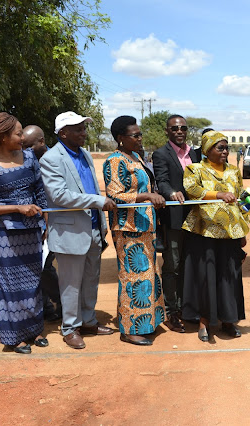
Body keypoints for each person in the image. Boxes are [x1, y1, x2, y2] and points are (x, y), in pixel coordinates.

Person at [0, 113, 47, 354]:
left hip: (32, 229)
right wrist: (17, 207)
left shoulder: (30, 157)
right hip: (4, 235)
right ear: (3, 137)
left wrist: (44, 223)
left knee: (33, 281)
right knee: (10, 285)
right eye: (18, 133)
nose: (23, 138)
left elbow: (40, 192)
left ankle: (34, 330)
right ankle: (14, 337)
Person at [40, 111, 116, 350]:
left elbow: (90, 186)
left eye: (84, 128)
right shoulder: (51, 158)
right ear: (63, 133)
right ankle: (70, 328)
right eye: (78, 129)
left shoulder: (85, 154)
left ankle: (88, 321)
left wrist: (101, 222)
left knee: (91, 280)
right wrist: (97, 201)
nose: (84, 133)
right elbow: (59, 195)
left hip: (93, 227)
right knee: (71, 284)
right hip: (69, 232)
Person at [181, 131, 249, 342]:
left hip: (231, 232)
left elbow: (240, 199)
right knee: (206, 277)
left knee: (229, 276)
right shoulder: (195, 169)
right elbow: (192, 190)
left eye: (226, 147)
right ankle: (204, 321)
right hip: (205, 232)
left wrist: (243, 229)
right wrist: (218, 195)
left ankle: (229, 320)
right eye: (220, 148)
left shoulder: (233, 171)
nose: (225, 151)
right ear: (207, 149)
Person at [105, 116, 167, 345]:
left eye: (140, 134)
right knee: (132, 277)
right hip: (127, 228)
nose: (140, 138)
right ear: (120, 138)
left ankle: (147, 323)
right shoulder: (114, 161)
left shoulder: (137, 157)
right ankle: (129, 329)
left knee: (148, 275)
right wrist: (147, 196)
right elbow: (115, 195)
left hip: (145, 225)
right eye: (135, 135)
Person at [151, 114, 202, 333]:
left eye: (183, 128)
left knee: (190, 264)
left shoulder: (195, 154)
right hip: (173, 219)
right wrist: (171, 193)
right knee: (172, 265)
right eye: (174, 128)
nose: (179, 131)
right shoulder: (161, 154)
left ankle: (186, 308)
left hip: (196, 218)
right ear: (167, 131)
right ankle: (171, 312)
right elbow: (161, 180)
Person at [22, 124, 62, 322]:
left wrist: (46, 224)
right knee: (35, 267)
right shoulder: (24, 161)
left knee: (46, 267)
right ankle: (45, 307)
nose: (26, 150)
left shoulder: (55, 160)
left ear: (41, 142)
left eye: (29, 146)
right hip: (32, 222)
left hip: (53, 222)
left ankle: (61, 301)